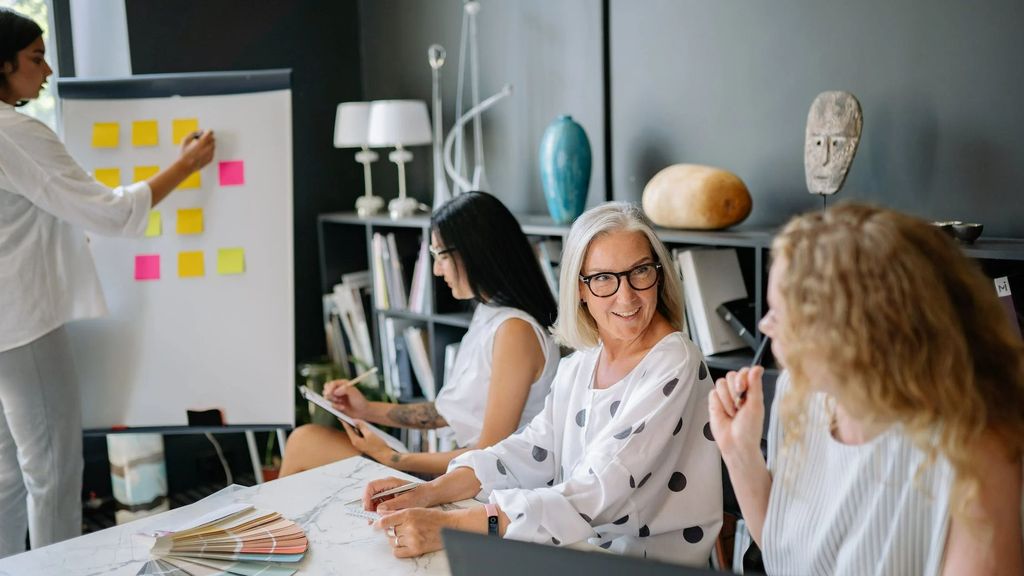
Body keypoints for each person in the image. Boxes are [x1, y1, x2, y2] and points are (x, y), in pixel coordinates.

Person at [360, 202, 722, 565]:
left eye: (640, 271)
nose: (626, 296)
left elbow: (599, 489)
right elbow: (532, 449)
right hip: (579, 550)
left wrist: (450, 524)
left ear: (658, 273)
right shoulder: (582, 361)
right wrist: (426, 492)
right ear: (579, 287)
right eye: (603, 279)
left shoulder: (675, 361)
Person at [0, 8, 215, 558]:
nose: (47, 72)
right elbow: (112, 213)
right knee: (51, 470)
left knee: (7, 477)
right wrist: (185, 165)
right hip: (20, 325)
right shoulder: (16, 132)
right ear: (1, 64)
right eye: (35, 58)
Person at [710, 203, 1024, 575]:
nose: (763, 324)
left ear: (848, 334)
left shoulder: (976, 452)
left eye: (780, 311)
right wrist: (740, 453)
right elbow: (785, 556)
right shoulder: (802, 395)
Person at [279, 191, 560, 477]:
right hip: (464, 472)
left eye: (440, 255)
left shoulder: (515, 331)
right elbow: (443, 413)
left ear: (474, 253)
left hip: (482, 486)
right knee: (305, 441)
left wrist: (395, 459)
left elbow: (488, 453)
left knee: (305, 443)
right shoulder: (490, 313)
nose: (437, 270)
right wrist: (364, 409)